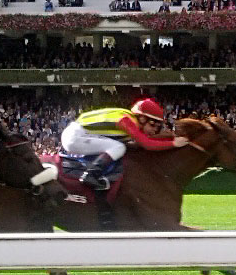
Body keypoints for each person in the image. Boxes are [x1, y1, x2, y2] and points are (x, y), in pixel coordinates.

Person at [60, 97, 189, 229]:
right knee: (118, 147)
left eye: (157, 127)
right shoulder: (127, 121)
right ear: (142, 119)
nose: (154, 130)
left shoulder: (129, 119)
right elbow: (147, 144)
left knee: (119, 147)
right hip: (75, 137)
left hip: (81, 134)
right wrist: (173, 144)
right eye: (152, 124)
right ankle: (91, 174)